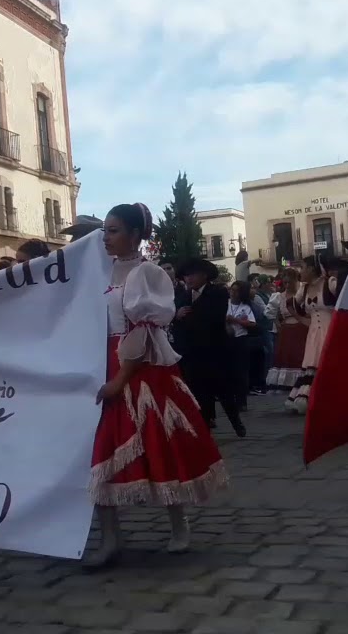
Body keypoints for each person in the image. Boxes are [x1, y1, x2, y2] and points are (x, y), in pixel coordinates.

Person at [85, 203, 230, 568]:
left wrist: (120, 379)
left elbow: (144, 332)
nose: (106, 237)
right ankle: (110, 538)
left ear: (135, 234)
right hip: (102, 364)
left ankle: (178, 524)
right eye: (105, 230)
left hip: (139, 369)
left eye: (114, 230)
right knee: (98, 452)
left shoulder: (145, 273)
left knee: (159, 442)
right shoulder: (100, 271)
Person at [172, 259, 246, 436]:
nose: (189, 279)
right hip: (192, 352)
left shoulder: (217, 292)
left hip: (214, 350)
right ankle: (204, 426)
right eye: (186, 276)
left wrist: (188, 316)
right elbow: (175, 318)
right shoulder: (183, 296)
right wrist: (177, 315)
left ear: (204, 275)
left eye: (193, 275)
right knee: (198, 391)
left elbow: (214, 317)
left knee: (223, 389)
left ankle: (235, 421)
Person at [284, 255, 346, 415]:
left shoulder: (329, 283)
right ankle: (310, 399)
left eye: (303, 267)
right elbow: (293, 306)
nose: (300, 271)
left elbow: (345, 302)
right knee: (312, 364)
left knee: (328, 364)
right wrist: (301, 318)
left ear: (312, 269)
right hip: (313, 334)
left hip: (331, 332)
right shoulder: (304, 289)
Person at [266, 269, 308, 396]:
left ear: (296, 281)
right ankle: (285, 384)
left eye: (290, 282)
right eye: (285, 283)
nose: (288, 285)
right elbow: (270, 313)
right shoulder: (279, 296)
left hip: (302, 330)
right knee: (286, 357)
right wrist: (278, 325)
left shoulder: (303, 295)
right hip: (287, 330)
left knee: (299, 357)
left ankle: (300, 383)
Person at [226, 281, 257, 413]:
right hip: (226, 339)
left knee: (241, 372)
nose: (233, 293)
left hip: (241, 339)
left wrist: (236, 320)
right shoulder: (225, 304)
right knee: (228, 371)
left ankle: (241, 401)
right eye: (232, 290)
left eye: (236, 291)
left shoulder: (245, 307)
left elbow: (252, 323)